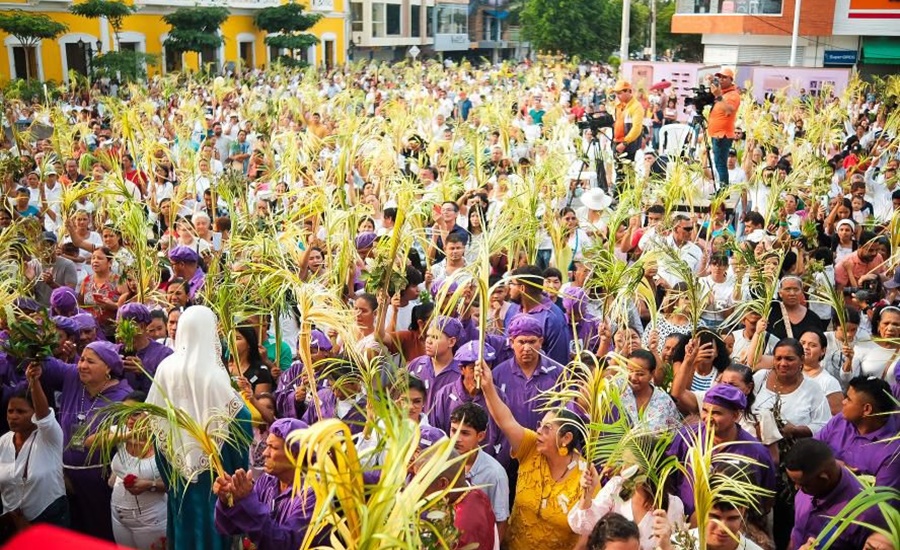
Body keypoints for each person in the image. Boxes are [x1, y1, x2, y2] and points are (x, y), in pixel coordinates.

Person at [146, 306, 252, 550]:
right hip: (215, 478)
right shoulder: (213, 376)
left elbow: (155, 421)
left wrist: (172, 471)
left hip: (176, 473)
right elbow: (240, 419)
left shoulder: (165, 368)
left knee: (184, 532)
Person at [476, 356, 586, 550]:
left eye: (547, 429)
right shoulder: (530, 447)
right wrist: (488, 387)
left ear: (566, 438)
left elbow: (587, 532)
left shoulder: (585, 475)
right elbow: (505, 420)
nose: (539, 432)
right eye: (540, 426)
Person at [39, 341, 134, 541]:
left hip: (101, 484)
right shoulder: (73, 377)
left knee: (101, 536)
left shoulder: (123, 399)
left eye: (90, 361)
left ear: (108, 367)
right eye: (81, 359)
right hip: (66, 481)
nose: (82, 365)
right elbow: (43, 361)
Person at [668, 384, 776, 518]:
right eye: (705, 410)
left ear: (735, 416)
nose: (708, 418)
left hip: (728, 529)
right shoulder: (688, 437)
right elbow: (669, 476)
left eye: (716, 413)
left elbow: (766, 499)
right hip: (685, 523)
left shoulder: (755, 452)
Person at [214, 418, 323, 549]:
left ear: (295, 454)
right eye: (267, 446)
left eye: (273, 447)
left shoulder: (312, 494)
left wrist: (247, 500)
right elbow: (230, 529)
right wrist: (229, 500)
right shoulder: (267, 481)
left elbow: (284, 544)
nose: (265, 453)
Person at [0, 363, 69, 532]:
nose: (13, 417)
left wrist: (34, 382)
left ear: (34, 413)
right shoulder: (3, 442)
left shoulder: (49, 437)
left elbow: (44, 417)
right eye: (10, 411)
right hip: (13, 522)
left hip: (49, 517)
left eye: (21, 412)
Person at [785, 439, 883, 550]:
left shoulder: (864, 516)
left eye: (803, 485)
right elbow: (796, 532)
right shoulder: (809, 483)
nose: (797, 488)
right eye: (794, 482)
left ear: (824, 479)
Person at [570, 461, 684, 550]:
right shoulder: (616, 487)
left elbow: (681, 546)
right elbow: (583, 526)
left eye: (631, 463)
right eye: (624, 461)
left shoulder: (673, 505)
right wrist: (587, 494)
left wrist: (666, 546)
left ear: (649, 466)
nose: (623, 469)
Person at [814, 376, 900, 488]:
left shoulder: (891, 453)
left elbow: (881, 503)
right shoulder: (841, 420)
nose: (843, 402)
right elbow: (812, 448)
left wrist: (840, 473)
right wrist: (833, 464)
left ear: (867, 409)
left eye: (849, 399)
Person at [108, 391, 167, 549]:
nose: (129, 419)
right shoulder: (121, 432)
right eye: (125, 414)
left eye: (135, 414)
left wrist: (149, 485)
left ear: (150, 412)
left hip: (151, 521)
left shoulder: (164, 442)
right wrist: (128, 435)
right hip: (118, 517)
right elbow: (89, 442)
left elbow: (177, 485)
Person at [448, 402, 510, 540]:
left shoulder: (495, 474)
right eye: (453, 430)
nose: (457, 438)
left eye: (465, 433)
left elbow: (500, 521)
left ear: (480, 436)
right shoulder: (441, 464)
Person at [416, 449, 497, 550]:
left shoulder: (458, 531)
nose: (416, 489)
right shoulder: (475, 493)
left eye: (421, 483)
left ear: (443, 484)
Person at [503, 265, 570, 365]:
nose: (509, 288)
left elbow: (558, 361)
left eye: (512, 284)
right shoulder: (512, 309)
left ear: (522, 288)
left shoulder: (553, 318)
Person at [407, 315, 462, 411]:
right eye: (428, 336)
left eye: (435, 337)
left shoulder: (460, 373)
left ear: (451, 342)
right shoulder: (417, 364)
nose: (428, 341)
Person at [116, 303, 173, 393]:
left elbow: (166, 390)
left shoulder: (164, 354)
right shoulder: (115, 352)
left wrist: (143, 372)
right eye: (118, 326)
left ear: (142, 327)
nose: (119, 332)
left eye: (125, 327)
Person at [620, 349, 681, 431]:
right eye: (630, 371)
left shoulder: (665, 402)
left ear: (652, 374)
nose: (633, 378)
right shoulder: (618, 393)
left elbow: (675, 435)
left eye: (640, 374)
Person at [708, 68, 741, 187]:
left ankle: (723, 191)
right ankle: (723, 190)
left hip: (723, 135)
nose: (721, 79)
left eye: (724, 77)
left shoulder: (733, 95)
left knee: (720, 164)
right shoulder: (723, 93)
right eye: (719, 77)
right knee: (719, 163)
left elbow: (728, 111)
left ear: (731, 80)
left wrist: (718, 96)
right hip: (716, 134)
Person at [612, 80, 645, 164]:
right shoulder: (619, 106)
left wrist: (624, 143)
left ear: (629, 91)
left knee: (627, 172)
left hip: (628, 146)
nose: (617, 96)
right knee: (619, 172)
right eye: (616, 93)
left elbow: (637, 128)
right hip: (617, 143)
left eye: (620, 93)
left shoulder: (636, 107)